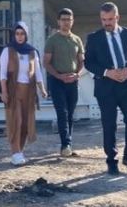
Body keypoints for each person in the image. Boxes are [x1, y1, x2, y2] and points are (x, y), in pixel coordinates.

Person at [84, 2, 127, 175]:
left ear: (117, 17)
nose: (107, 23)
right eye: (104, 19)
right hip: (106, 87)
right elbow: (88, 63)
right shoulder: (94, 38)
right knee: (109, 125)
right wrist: (106, 72)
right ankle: (112, 160)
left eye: (110, 19)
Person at [0, 22, 48, 166]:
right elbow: (2, 74)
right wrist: (4, 92)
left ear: (26, 35)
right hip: (13, 90)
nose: (19, 37)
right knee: (16, 121)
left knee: (26, 123)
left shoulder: (32, 51)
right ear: (14, 35)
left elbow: (37, 72)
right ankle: (15, 152)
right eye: (17, 34)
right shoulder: (7, 50)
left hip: (29, 91)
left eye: (22, 34)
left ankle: (19, 151)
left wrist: (42, 89)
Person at [43, 8, 85, 157]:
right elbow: (46, 62)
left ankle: (68, 144)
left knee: (70, 114)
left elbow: (81, 61)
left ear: (72, 21)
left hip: (72, 82)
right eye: (63, 20)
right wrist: (59, 76)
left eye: (69, 19)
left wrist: (77, 74)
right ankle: (65, 144)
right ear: (58, 21)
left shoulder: (77, 40)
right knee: (62, 112)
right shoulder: (52, 40)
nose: (66, 22)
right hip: (57, 81)